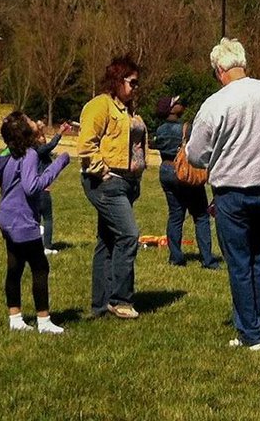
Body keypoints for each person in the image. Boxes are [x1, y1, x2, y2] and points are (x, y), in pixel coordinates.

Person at [186, 37, 260, 352]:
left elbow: (195, 154)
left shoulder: (216, 103)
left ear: (220, 69)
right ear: (243, 63)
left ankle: (250, 333)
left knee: (239, 264)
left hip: (232, 193)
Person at [76, 54, 147, 320]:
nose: (136, 87)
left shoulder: (129, 109)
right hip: (107, 182)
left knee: (107, 241)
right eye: (132, 82)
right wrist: (102, 171)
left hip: (126, 183)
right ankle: (120, 300)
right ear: (118, 80)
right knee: (129, 235)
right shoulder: (100, 105)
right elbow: (85, 144)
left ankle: (100, 305)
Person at [0, 111, 70, 334]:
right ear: (24, 130)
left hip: (6, 217)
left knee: (15, 267)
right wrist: (58, 164)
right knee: (40, 267)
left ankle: (15, 318)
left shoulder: (8, 155)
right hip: (22, 220)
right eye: (28, 119)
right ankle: (44, 321)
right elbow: (32, 186)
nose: (32, 121)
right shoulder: (29, 155)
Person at [151, 95, 221, 270]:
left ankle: (175, 257)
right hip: (184, 172)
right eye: (177, 103)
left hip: (166, 170)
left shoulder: (159, 130)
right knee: (201, 216)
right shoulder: (186, 128)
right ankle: (207, 259)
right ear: (171, 109)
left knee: (175, 215)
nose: (181, 105)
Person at [35, 120, 72, 254]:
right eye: (41, 137)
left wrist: (40, 128)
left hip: (34, 190)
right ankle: (47, 246)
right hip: (42, 189)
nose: (44, 139)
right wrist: (60, 132)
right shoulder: (39, 150)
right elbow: (50, 145)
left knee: (36, 219)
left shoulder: (33, 152)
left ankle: (35, 243)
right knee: (48, 218)